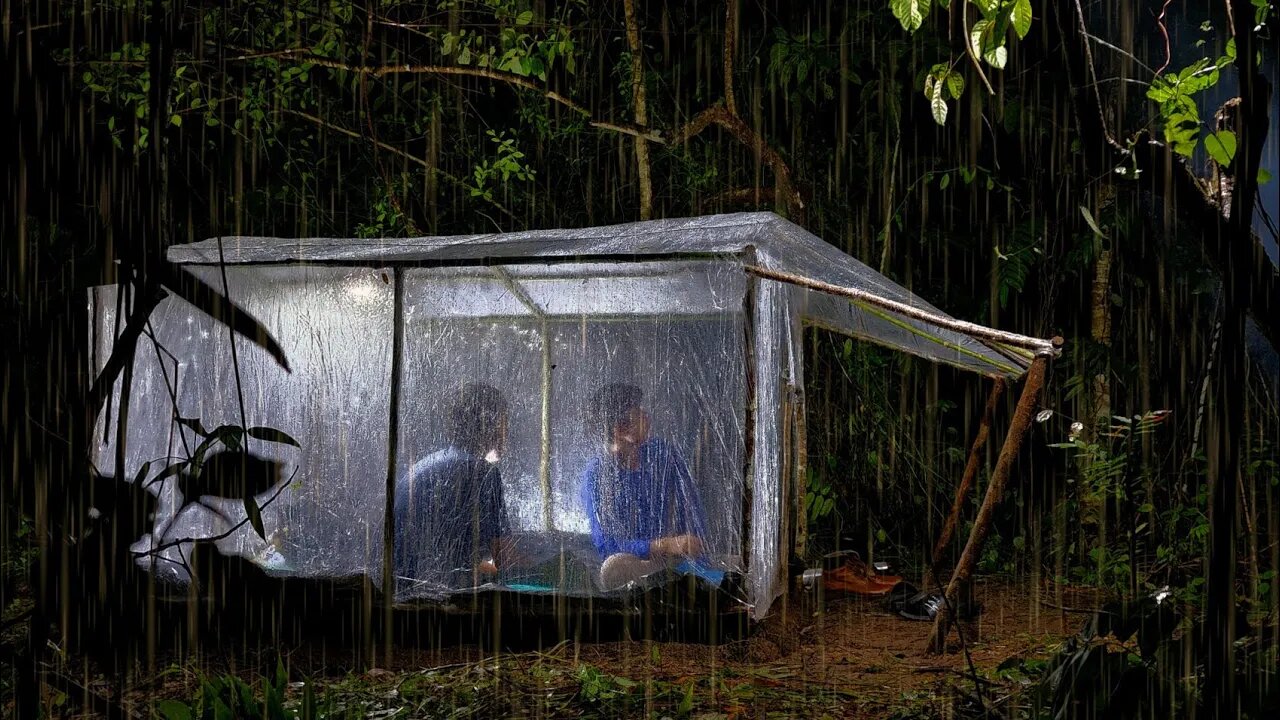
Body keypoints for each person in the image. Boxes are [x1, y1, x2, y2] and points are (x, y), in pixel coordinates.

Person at [580, 383, 710, 590]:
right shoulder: (596, 476)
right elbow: (606, 545)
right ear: (619, 429)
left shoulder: (665, 455)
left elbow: (693, 513)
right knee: (614, 567)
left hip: (677, 561)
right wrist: (662, 545)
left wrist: (690, 549)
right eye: (638, 411)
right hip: (636, 565)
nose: (646, 415)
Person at [393, 383, 513, 591]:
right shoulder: (482, 473)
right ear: (489, 425)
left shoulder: (427, 466)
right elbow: (506, 559)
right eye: (504, 423)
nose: (506, 433)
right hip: (431, 599)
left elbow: (451, 558)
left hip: (398, 592)